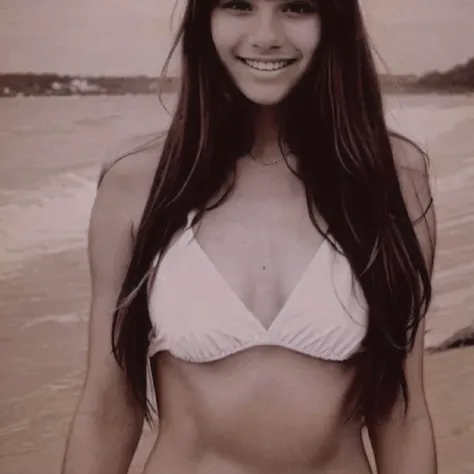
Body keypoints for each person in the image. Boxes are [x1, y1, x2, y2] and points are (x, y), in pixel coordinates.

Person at [62, 0, 438, 473]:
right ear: (204, 19)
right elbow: (105, 409)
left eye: (296, 8)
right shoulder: (137, 182)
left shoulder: (392, 181)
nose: (266, 35)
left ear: (333, 21)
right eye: (238, 5)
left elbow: (403, 413)